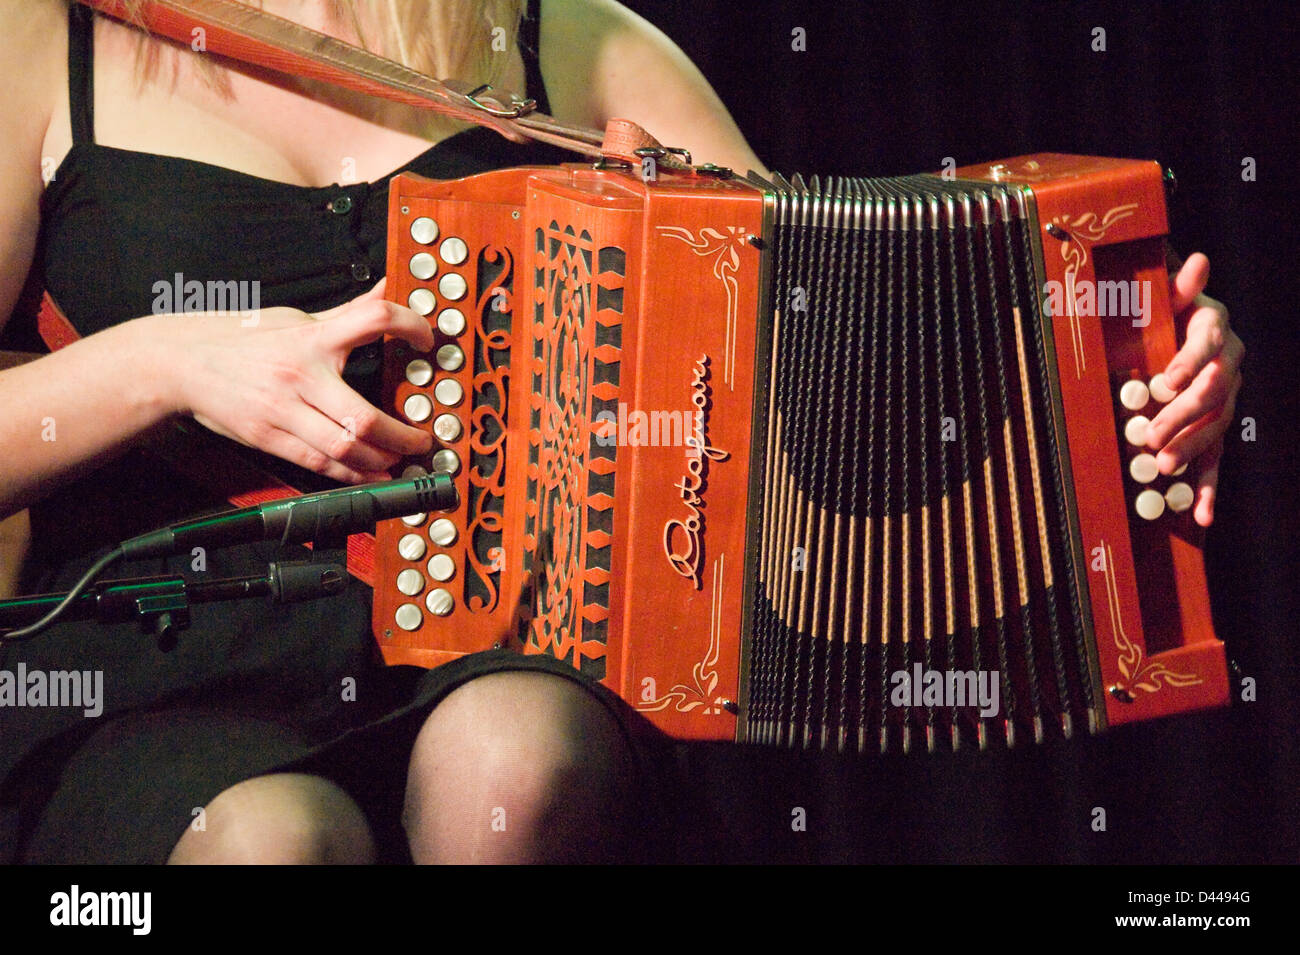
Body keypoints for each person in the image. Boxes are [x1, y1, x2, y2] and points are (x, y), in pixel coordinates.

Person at [0, 0, 1244, 864]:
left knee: (514, 764)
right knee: (272, 841)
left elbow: (837, 346)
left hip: (511, 653)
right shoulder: (44, 47)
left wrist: (1124, 366)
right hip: (153, 666)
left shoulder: (567, 41)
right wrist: (166, 360)